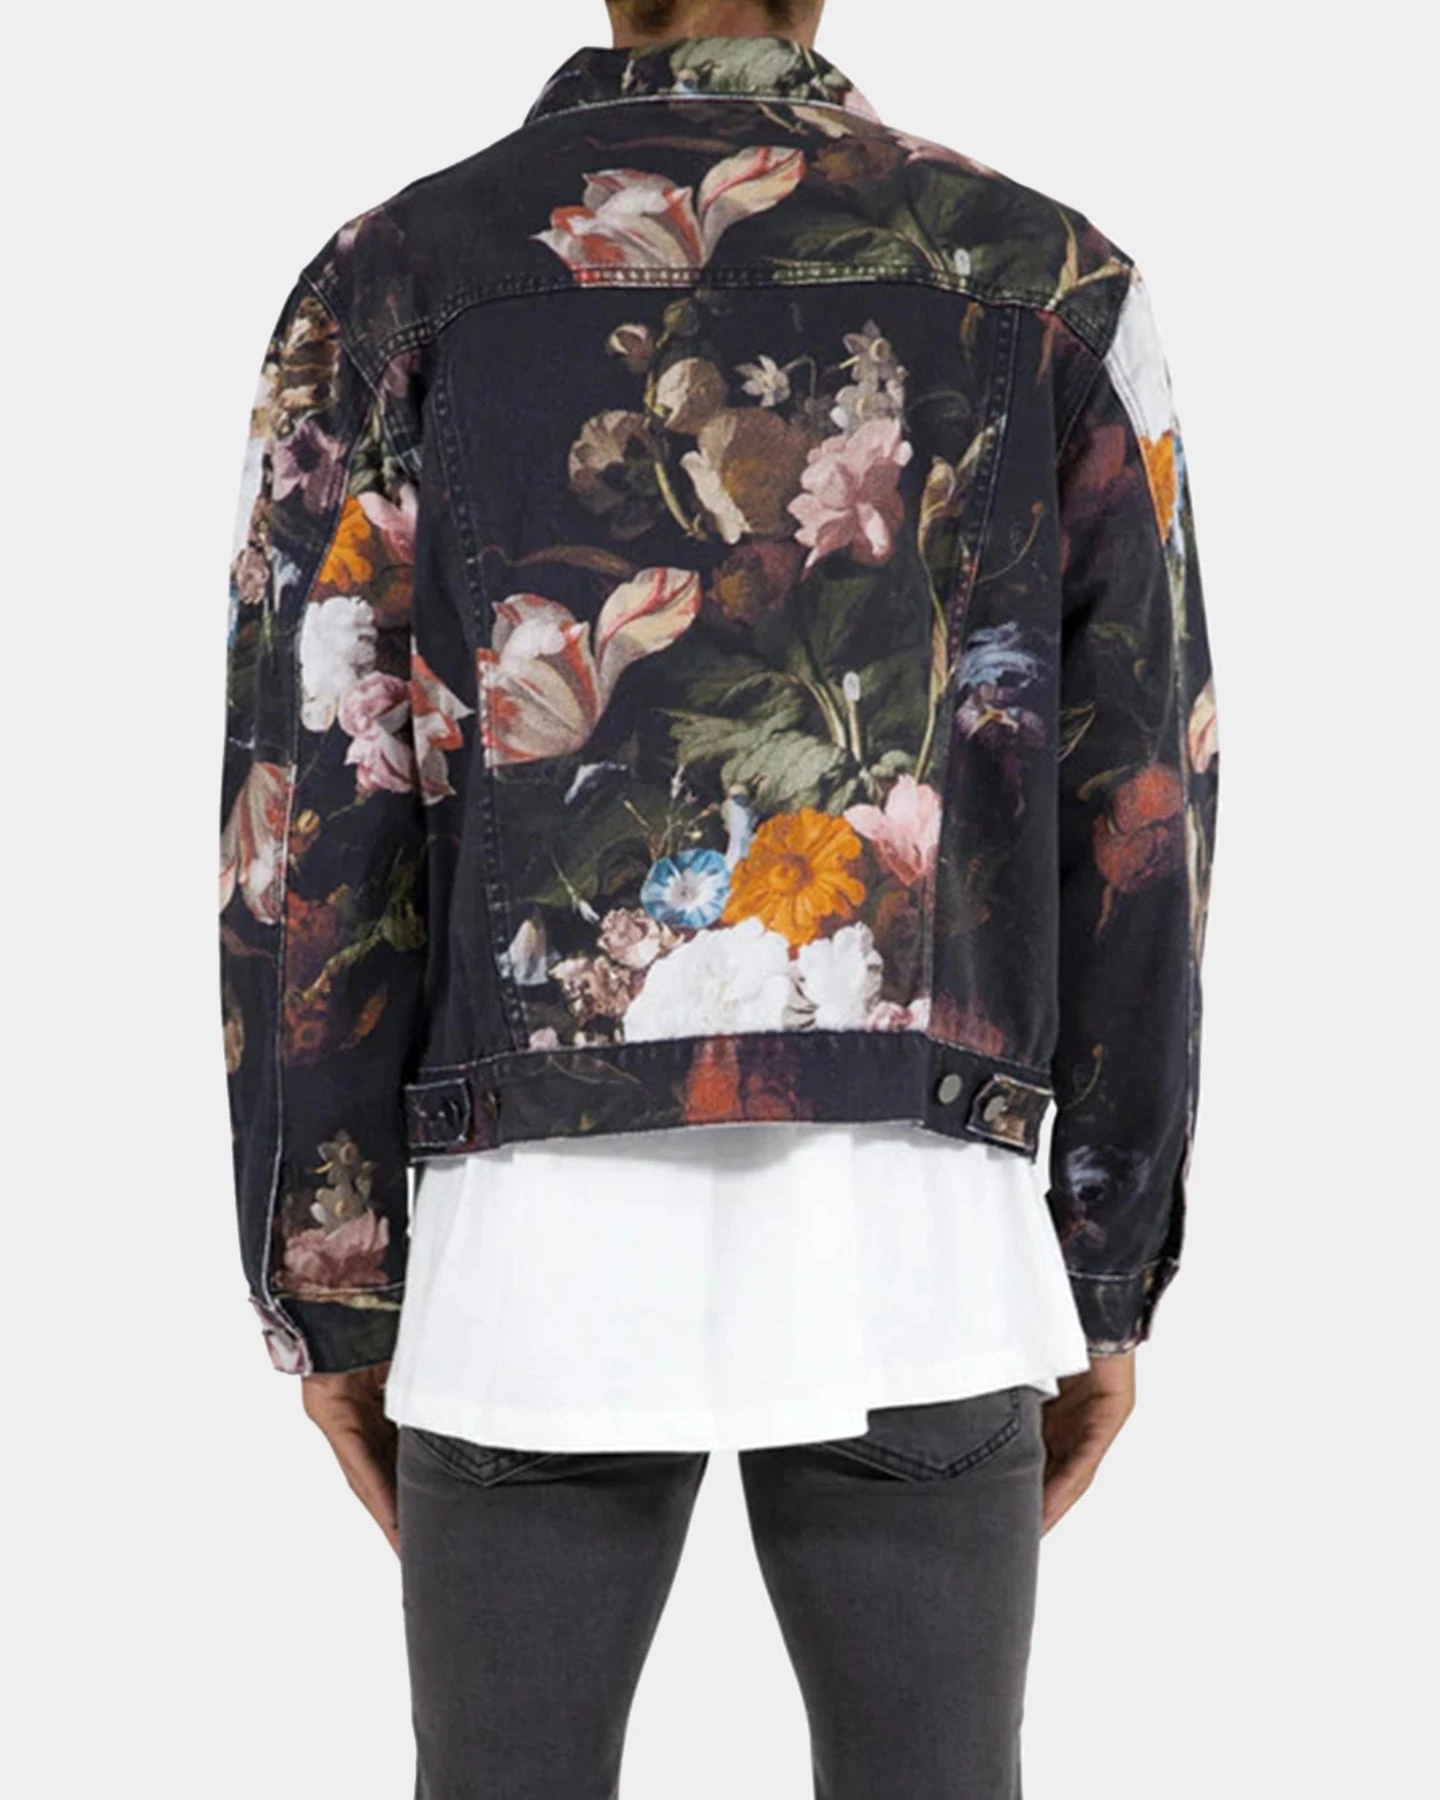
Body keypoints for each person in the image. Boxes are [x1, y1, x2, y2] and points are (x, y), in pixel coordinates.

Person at [218, 0, 1219, 1792]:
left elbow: (307, 819)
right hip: (920, 1241)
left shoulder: (395, 283)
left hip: (530, 1253)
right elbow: (1145, 799)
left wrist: (329, 1267)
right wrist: (1102, 1258)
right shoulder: (1044, 282)